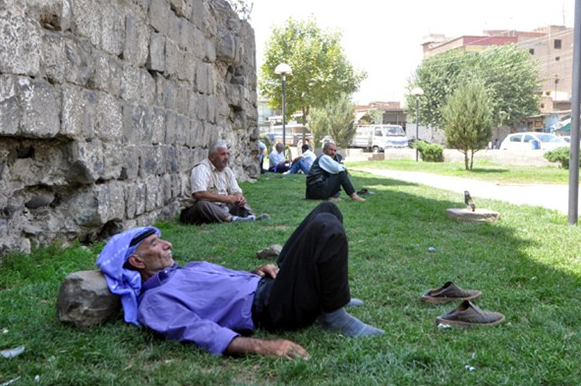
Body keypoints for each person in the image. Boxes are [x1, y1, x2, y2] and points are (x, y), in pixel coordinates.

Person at [95, 203, 384, 359]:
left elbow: (225, 287)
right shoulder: (155, 302)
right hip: (272, 308)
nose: (167, 244)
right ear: (136, 261)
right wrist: (264, 347)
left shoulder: (181, 270)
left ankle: (330, 299)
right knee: (325, 228)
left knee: (327, 210)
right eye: (155, 244)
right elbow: (201, 332)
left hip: (267, 287)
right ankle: (333, 315)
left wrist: (256, 272)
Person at [180, 141, 268, 224]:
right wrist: (226, 199)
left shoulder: (227, 171)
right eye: (222, 154)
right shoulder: (201, 169)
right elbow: (199, 194)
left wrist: (239, 197)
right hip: (194, 212)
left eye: (227, 154)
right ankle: (232, 219)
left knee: (238, 201)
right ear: (212, 157)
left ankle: (250, 217)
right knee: (202, 204)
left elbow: (236, 190)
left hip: (220, 207)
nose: (226, 157)